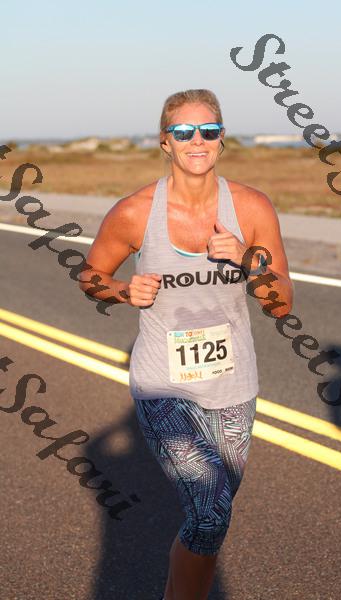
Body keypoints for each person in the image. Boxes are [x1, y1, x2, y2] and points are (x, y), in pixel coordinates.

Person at [79, 89, 293, 600]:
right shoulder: (135, 212)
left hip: (234, 386)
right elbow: (90, 276)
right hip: (164, 387)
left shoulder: (251, 207)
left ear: (222, 139)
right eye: (183, 132)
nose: (197, 140)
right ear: (165, 142)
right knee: (210, 510)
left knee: (209, 521)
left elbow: (281, 304)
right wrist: (123, 290)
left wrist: (248, 260)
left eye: (208, 131)